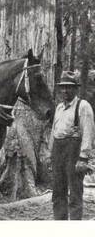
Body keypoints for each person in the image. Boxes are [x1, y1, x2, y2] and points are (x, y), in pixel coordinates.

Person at [50, 70, 95, 220]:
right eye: (62, 87)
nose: (65, 90)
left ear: (76, 88)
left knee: (75, 193)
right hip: (58, 152)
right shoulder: (59, 108)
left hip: (73, 153)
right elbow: (54, 132)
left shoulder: (83, 106)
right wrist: (51, 153)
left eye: (69, 87)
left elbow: (88, 133)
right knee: (57, 192)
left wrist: (83, 158)